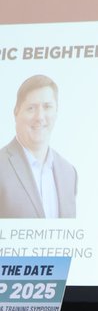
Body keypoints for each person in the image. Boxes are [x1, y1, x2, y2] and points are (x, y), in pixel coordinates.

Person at [0, 75, 77, 218]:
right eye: (31, 108)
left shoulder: (69, 173)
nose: (40, 116)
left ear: (56, 111)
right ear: (16, 113)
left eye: (47, 107)